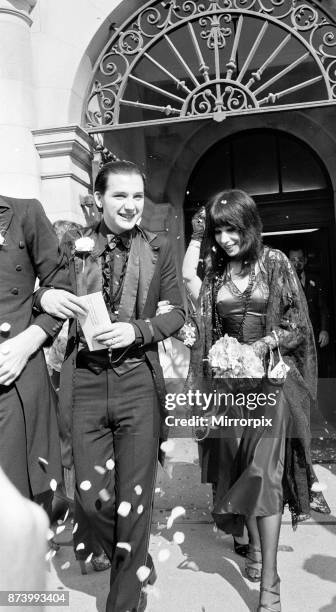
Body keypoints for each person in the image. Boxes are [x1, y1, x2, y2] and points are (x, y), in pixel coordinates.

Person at [38, 161, 185, 612]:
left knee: (134, 500)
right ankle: (136, 556)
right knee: (90, 497)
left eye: (137, 196)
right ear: (98, 198)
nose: (130, 205)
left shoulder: (160, 248)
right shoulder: (73, 247)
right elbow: (46, 293)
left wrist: (139, 330)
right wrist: (47, 297)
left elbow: (177, 313)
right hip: (84, 379)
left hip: (137, 381)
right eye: (120, 196)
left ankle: (124, 601)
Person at [184, 190, 317, 612]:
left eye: (232, 228)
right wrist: (200, 345)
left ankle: (271, 584)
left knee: (264, 472)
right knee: (242, 469)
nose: (225, 238)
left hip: (272, 387)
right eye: (219, 230)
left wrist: (259, 347)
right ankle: (255, 551)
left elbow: (296, 324)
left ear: (250, 225)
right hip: (229, 393)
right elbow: (205, 327)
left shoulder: (274, 262)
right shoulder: (216, 271)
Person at [0, 194, 83, 507]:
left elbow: (62, 284)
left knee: (14, 495)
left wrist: (28, 341)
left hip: (13, 371)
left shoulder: (24, 212)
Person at [47, 220, 111, 575]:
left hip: (62, 380)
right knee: (83, 462)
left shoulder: (55, 290)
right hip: (72, 380)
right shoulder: (73, 291)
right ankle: (92, 544)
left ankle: (81, 539)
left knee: (71, 459)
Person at [288, 247, 331, 514]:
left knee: (301, 429)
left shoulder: (311, 283)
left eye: (300, 258)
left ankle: (306, 490)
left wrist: (323, 329)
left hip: (306, 356)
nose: (297, 263)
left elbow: (322, 309)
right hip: (285, 367)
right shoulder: (281, 291)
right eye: (293, 259)